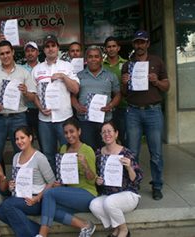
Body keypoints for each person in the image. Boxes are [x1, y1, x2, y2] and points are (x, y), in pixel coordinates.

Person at [121, 30, 170, 200]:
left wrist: (156, 81)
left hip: (153, 111)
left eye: (142, 42)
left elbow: (166, 86)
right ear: (133, 44)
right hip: (133, 111)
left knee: (156, 152)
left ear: (148, 43)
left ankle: (157, 185)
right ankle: (133, 184)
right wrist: (124, 83)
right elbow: (124, 93)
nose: (139, 45)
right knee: (132, 152)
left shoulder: (157, 61)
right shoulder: (128, 65)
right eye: (136, 42)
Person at [35, 118, 97, 237]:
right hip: (71, 194)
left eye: (72, 131)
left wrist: (85, 165)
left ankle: (42, 235)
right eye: (66, 133)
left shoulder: (87, 150)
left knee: (49, 194)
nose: (69, 135)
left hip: (87, 193)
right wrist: (60, 184)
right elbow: (64, 176)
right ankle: (85, 226)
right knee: (49, 208)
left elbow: (92, 179)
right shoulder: (63, 148)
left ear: (79, 131)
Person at [0, 40, 37, 165]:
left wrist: (26, 92)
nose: (5, 56)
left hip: (18, 118)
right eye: (2, 54)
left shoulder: (23, 72)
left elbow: (32, 97)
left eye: (8, 52)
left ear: (13, 52)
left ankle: (21, 183)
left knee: (22, 153)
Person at [0, 126, 55, 237]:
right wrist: (11, 185)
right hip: (20, 197)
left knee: (7, 205)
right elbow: (15, 180)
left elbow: (52, 183)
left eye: (22, 138)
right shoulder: (16, 157)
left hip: (36, 200)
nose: (19, 141)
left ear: (30, 138)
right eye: (17, 139)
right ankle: (36, 231)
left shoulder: (39, 157)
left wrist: (37, 198)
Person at [32, 34, 79, 172]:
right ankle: (53, 184)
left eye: (53, 45)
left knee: (68, 152)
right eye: (47, 46)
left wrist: (64, 77)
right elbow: (33, 94)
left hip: (64, 118)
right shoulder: (37, 69)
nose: (50, 49)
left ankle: (68, 183)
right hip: (44, 120)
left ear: (58, 47)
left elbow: (75, 89)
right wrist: (40, 107)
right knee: (48, 154)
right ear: (44, 50)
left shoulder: (67, 66)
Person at [89, 121, 143, 237]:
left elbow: (137, 179)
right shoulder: (99, 153)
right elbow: (97, 175)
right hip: (108, 194)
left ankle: (123, 230)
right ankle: (117, 228)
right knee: (94, 205)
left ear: (116, 134)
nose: (107, 134)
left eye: (109, 131)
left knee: (110, 202)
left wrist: (129, 168)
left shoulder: (126, 152)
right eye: (104, 132)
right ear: (101, 136)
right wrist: (97, 180)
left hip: (128, 194)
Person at [72, 46, 121, 152]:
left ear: (101, 59)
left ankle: (103, 168)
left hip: (105, 120)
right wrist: (77, 106)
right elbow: (72, 96)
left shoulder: (111, 75)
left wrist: (111, 105)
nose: (93, 59)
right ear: (86, 60)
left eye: (96, 56)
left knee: (106, 151)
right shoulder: (79, 76)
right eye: (90, 57)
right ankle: (90, 169)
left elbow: (118, 94)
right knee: (88, 151)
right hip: (85, 121)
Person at [103, 36, 128, 146]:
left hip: (123, 107)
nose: (111, 49)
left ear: (118, 48)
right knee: (107, 138)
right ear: (105, 49)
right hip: (106, 108)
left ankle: (125, 163)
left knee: (123, 138)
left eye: (114, 46)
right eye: (109, 47)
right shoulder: (101, 65)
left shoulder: (126, 64)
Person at [22, 41, 42, 150]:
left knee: (43, 140)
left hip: (40, 110)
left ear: (38, 52)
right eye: (28, 51)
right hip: (25, 109)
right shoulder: (20, 69)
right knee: (26, 142)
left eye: (32, 50)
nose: (30, 53)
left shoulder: (43, 67)